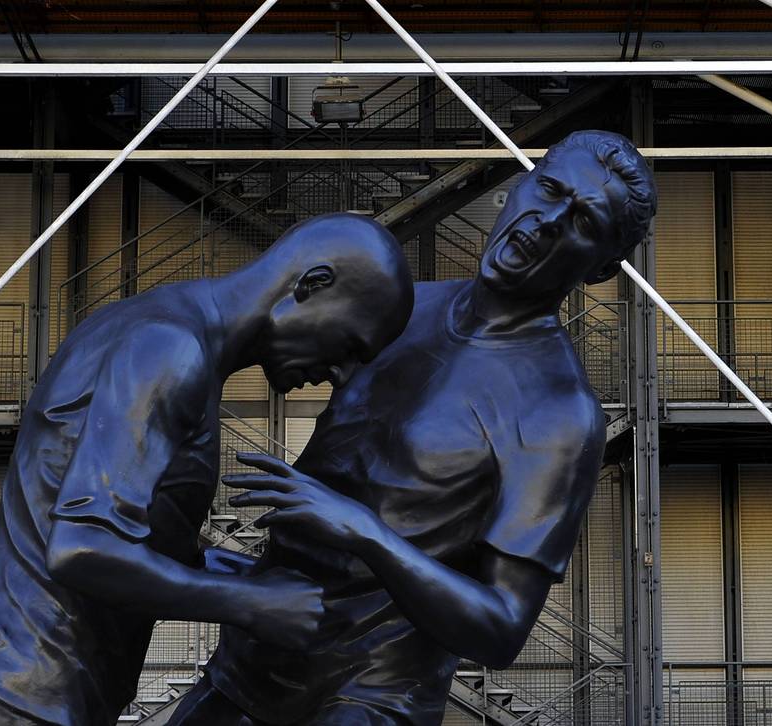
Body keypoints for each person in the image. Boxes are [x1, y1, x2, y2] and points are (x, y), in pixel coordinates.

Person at [169, 130, 658, 725]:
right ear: (517, 188)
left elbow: (501, 629)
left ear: (603, 268)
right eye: (549, 189)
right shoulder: (399, 306)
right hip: (251, 658)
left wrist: (363, 531)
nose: (549, 219)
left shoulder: (557, 412)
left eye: (584, 220)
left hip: (369, 695)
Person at [0, 212, 415, 726]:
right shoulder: (169, 348)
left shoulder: (156, 329)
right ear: (312, 284)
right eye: (350, 344)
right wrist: (252, 603)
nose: (342, 375)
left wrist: (255, 574)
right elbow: (82, 549)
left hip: (9, 693)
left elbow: (117, 542)